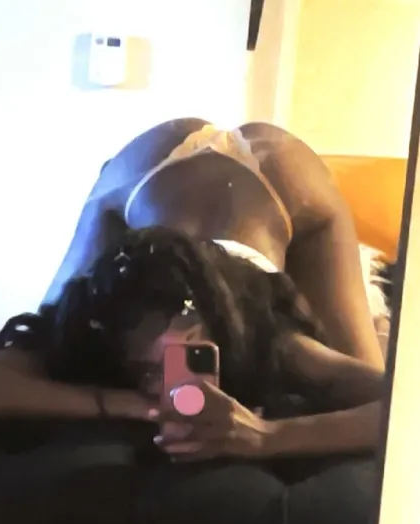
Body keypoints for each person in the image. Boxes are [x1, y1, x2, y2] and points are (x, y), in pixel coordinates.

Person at [0, 224, 383, 524]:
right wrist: (125, 403)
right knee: (101, 222)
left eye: (187, 355)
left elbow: (401, 408)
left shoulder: (261, 332)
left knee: (356, 339)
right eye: (147, 369)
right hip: (144, 221)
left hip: (250, 235)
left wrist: (268, 436)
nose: (164, 380)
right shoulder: (93, 323)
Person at [41, 118, 385, 370]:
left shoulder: (282, 344)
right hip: (150, 171)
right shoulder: (122, 310)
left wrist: (268, 436)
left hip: (278, 179)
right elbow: (22, 356)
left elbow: (380, 403)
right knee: (49, 337)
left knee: (355, 363)